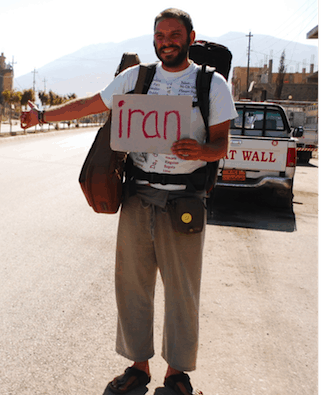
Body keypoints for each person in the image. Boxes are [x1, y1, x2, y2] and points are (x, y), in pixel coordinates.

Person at [21, 8, 237, 395]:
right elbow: (90, 104)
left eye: (174, 34)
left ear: (190, 36)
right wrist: (42, 115)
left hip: (184, 202)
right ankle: (139, 367)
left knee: (182, 290)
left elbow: (222, 143)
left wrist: (202, 152)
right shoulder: (137, 77)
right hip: (138, 196)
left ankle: (177, 374)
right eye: (159, 35)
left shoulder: (212, 85)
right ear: (153, 39)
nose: (166, 40)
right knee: (132, 286)